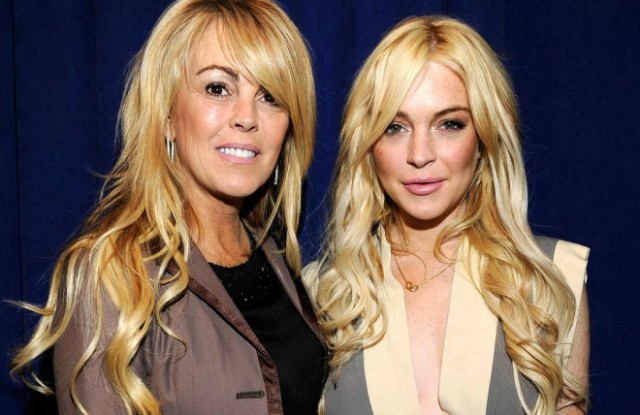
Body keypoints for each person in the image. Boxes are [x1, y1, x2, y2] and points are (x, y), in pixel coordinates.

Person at [11, 1, 325, 414]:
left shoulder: (276, 257)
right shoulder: (113, 275)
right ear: (167, 116)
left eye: (270, 96)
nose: (247, 117)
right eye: (218, 88)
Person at [304, 16, 589, 415]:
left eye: (449, 124)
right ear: (368, 143)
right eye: (395, 127)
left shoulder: (551, 282)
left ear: (484, 138)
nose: (420, 154)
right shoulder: (323, 294)